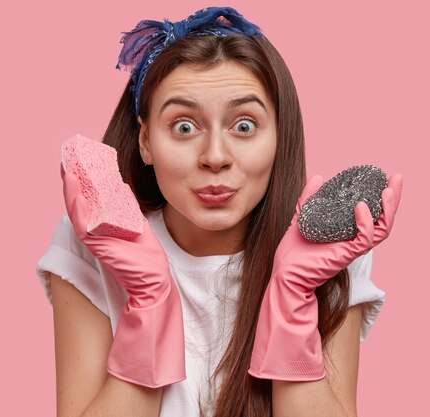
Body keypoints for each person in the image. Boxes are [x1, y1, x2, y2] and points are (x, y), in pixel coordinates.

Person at [35, 6, 403, 417]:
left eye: (244, 126)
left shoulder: (330, 251)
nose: (214, 157)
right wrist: (149, 302)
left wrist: (293, 299)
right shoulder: (93, 239)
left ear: (280, 137)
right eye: (184, 127)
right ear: (145, 141)